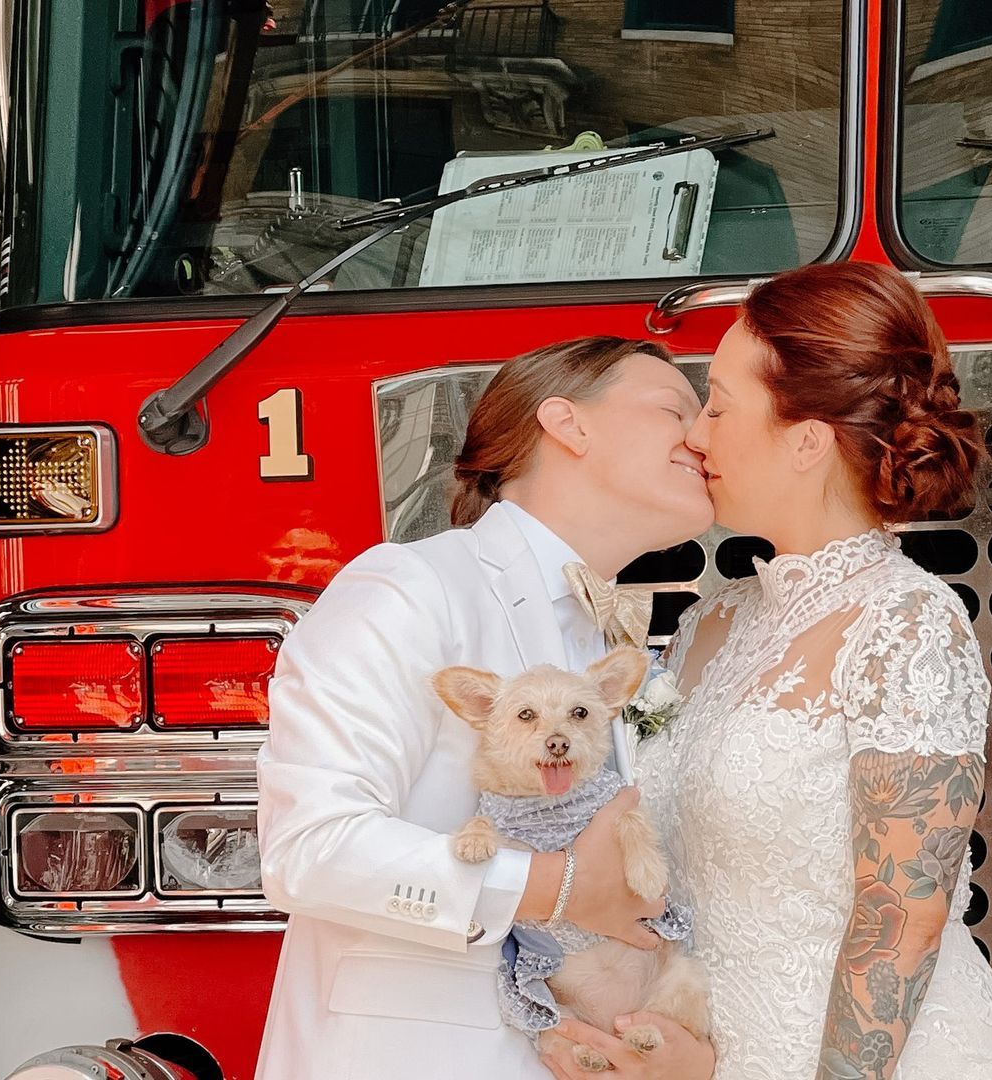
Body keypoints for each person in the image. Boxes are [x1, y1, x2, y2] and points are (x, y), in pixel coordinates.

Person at [552, 263, 992, 1080]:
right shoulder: (716, 617)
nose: (696, 435)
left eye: (716, 404)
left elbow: (904, 919)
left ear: (807, 439)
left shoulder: (906, 622)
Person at [255, 337, 719, 1080]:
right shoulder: (408, 587)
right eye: (677, 409)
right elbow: (306, 849)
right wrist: (551, 887)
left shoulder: (618, 642)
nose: (704, 436)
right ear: (569, 425)